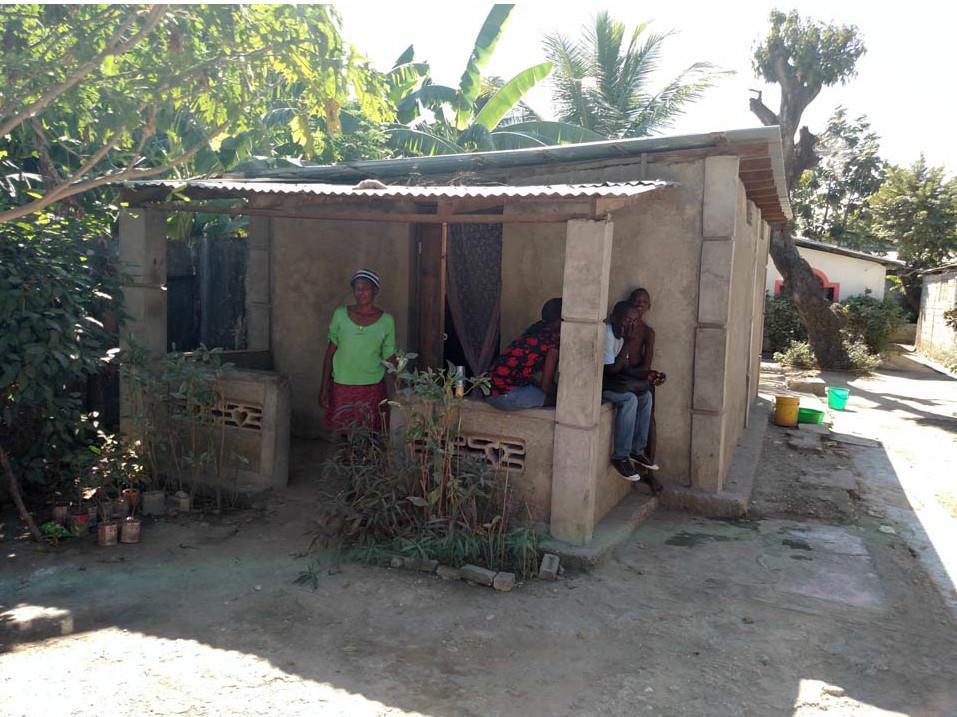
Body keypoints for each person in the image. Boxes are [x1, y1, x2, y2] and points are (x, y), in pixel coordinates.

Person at [319, 269, 396, 435]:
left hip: (372, 386)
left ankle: (366, 462)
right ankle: (346, 462)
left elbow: (389, 356)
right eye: (357, 289)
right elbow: (330, 352)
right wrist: (324, 387)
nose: (361, 293)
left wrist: (402, 385)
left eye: (365, 288)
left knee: (371, 435)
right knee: (344, 434)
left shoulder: (386, 321)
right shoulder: (340, 315)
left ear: (375, 291)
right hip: (342, 384)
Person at [603, 300, 660, 487]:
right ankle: (620, 456)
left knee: (646, 396)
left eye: (634, 322)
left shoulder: (621, 336)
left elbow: (624, 367)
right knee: (629, 400)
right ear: (614, 318)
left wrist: (648, 375)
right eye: (627, 320)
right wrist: (627, 344)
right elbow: (611, 370)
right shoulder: (608, 334)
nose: (631, 326)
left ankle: (637, 449)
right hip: (598, 385)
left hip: (612, 381)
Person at [487, 298, 562, 411]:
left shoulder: (537, 330)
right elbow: (546, 385)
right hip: (504, 395)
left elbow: (524, 372)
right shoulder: (553, 342)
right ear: (558, 320)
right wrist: (562, 392)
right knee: (560, 402)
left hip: (489, 390)